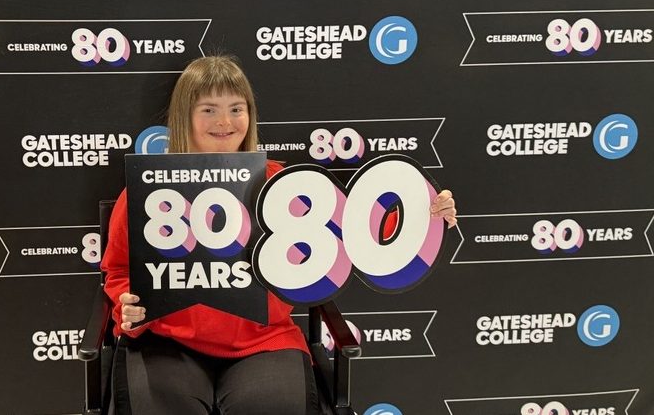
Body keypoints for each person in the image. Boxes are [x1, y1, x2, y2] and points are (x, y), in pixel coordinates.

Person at [101, 55, 457, 415]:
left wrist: (425, 212)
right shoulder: (146, 191)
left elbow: (360, 229)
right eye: (208, 109)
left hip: (264, 342)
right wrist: (126, 306)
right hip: (168, 342)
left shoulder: (283, 185)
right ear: (184, 117)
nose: (224, 122)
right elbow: (117, 272)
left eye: (236, 108)